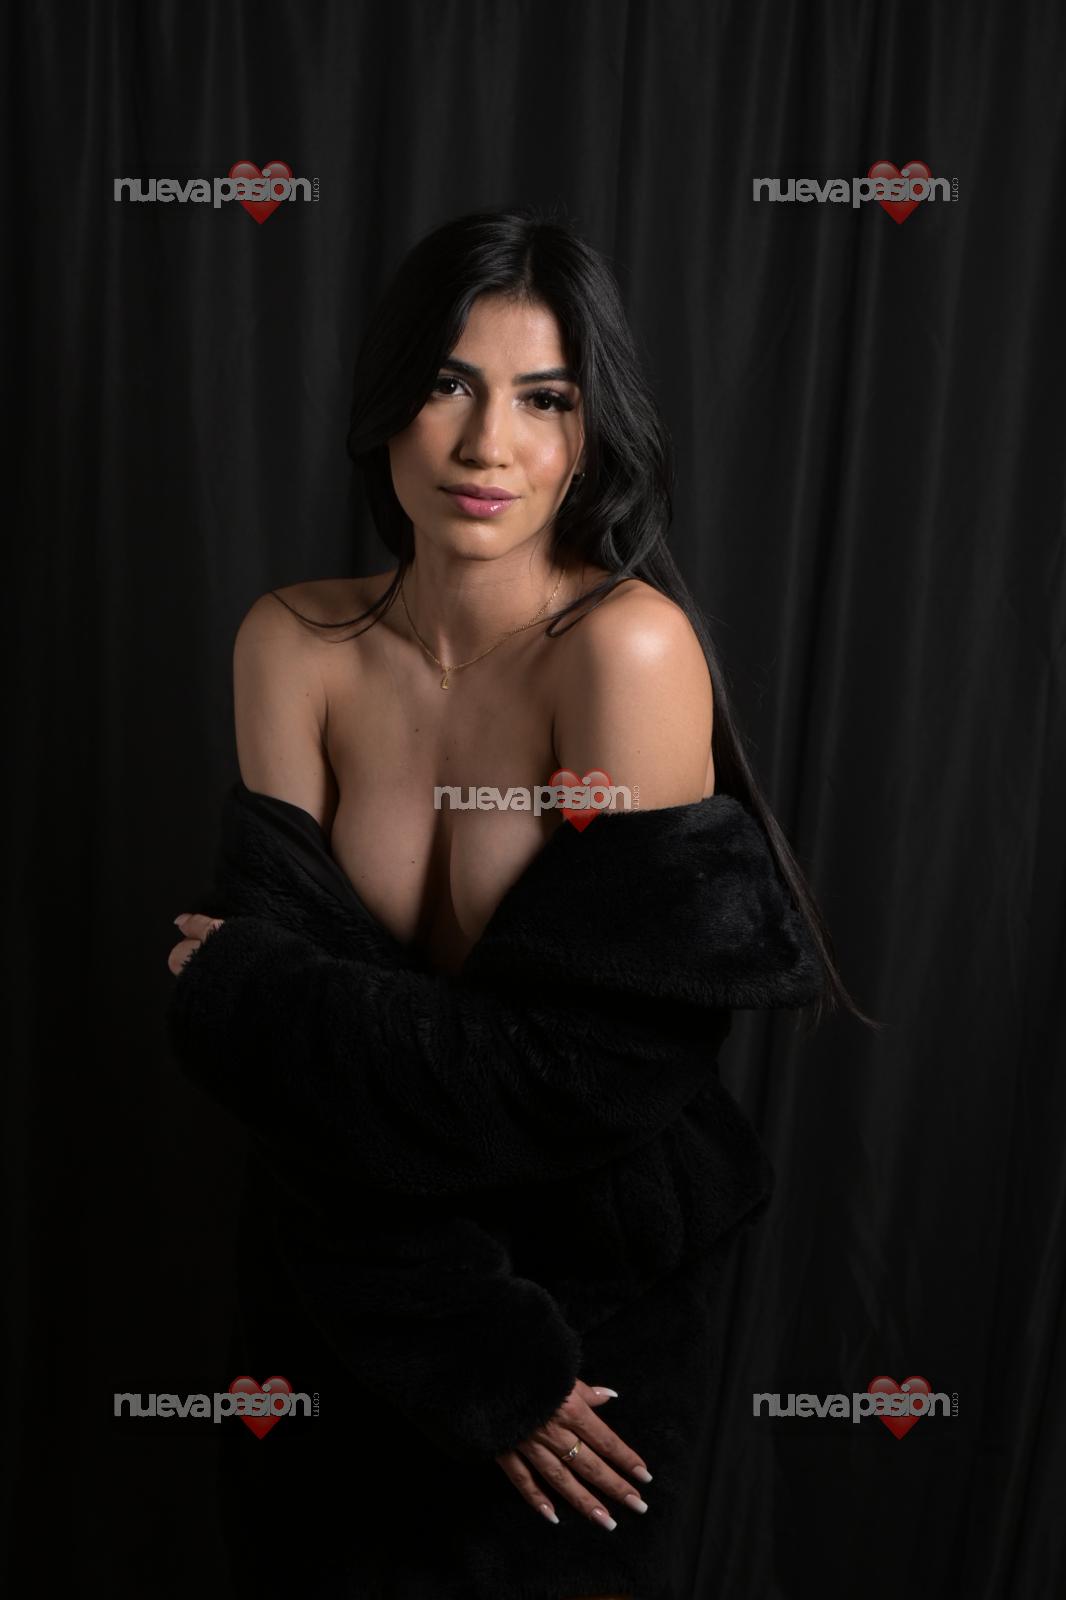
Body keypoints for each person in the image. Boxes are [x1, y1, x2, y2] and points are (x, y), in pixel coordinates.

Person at [167, 205, 875, 1600]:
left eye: (545, 398)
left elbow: (594, 1074)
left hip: (585, 1326)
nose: (488, 444)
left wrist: (259, 989)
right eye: (450, 384)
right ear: (389, 402)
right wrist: (459, 1342)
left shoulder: (624, 652)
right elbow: (274, 1084)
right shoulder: (293, 644)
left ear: (592, 433)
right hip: (344, 1302)